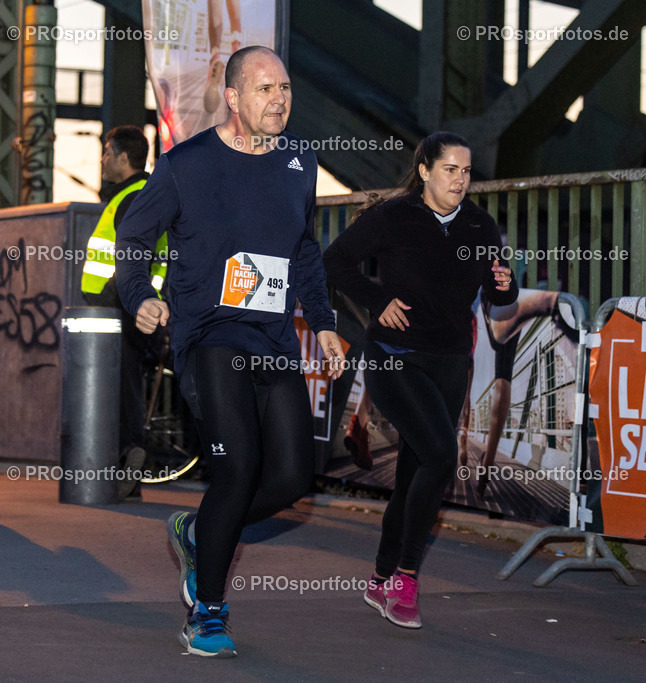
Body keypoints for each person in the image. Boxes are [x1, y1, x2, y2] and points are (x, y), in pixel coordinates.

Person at [115, 45, 345, 658]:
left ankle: (198, 531)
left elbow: (303, 249)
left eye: (286, 88)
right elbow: (133, 236)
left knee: (294, 476)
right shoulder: (186, 165)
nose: (280, 100)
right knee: (238, 467)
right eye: (265, 89)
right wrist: (139, 293)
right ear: (234, 97)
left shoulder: (299, 160)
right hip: (210, 336)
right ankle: (207, 610)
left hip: (272, 339)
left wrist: (321, 322)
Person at [323, 132, 517, 629]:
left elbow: (499, 297)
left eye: (467, 171)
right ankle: (406, 580)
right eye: (450, 169)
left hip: (450, 361)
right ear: (426, 170)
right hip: (394, 357)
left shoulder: (480, 225)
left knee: (414, 471)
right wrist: (376, 299)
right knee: (439, 454)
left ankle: (382, 575)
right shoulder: (393, 217)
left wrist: (505, 285)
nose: (460, 179)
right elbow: (335, 262)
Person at [80, 125, 166, 497]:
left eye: (106, 152)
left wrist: (109, 300)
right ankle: (127, 470)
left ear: (122, 157)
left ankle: (127, 455)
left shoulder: (133, 198)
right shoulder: (138, 194)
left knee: (117, 388)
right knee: (125, 384)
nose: (102, 160)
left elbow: (134, 259)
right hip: (132, 309)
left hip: (122, 310)